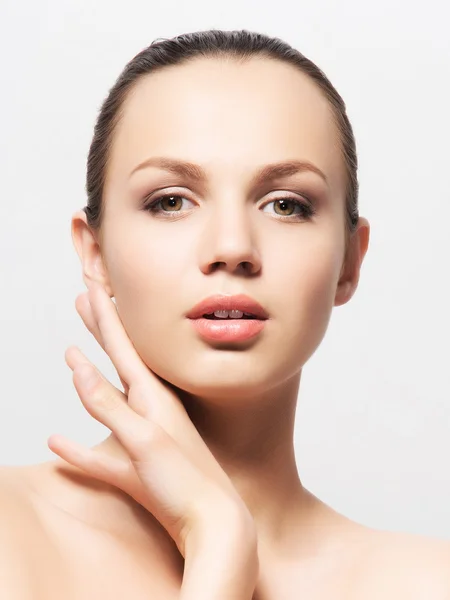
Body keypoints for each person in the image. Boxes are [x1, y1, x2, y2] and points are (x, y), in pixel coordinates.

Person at [1, 28, 449, 599]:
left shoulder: (429, 584)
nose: (233, 246)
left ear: (349, 262)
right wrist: (218, 543)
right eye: (171, 201)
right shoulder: (11, 535)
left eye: (286, 205)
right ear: (95, 253)